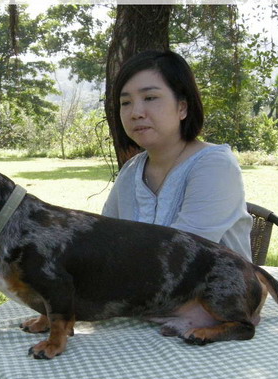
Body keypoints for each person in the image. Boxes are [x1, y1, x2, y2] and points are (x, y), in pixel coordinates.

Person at [102, 50, 252, 261]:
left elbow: (183, 254)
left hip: (213, 283)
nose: (136, 112)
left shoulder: (215, 166)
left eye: (150, 98)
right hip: (139, 282)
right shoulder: (131, 171)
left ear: (182, 107)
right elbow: (104, 239)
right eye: (126, 102)